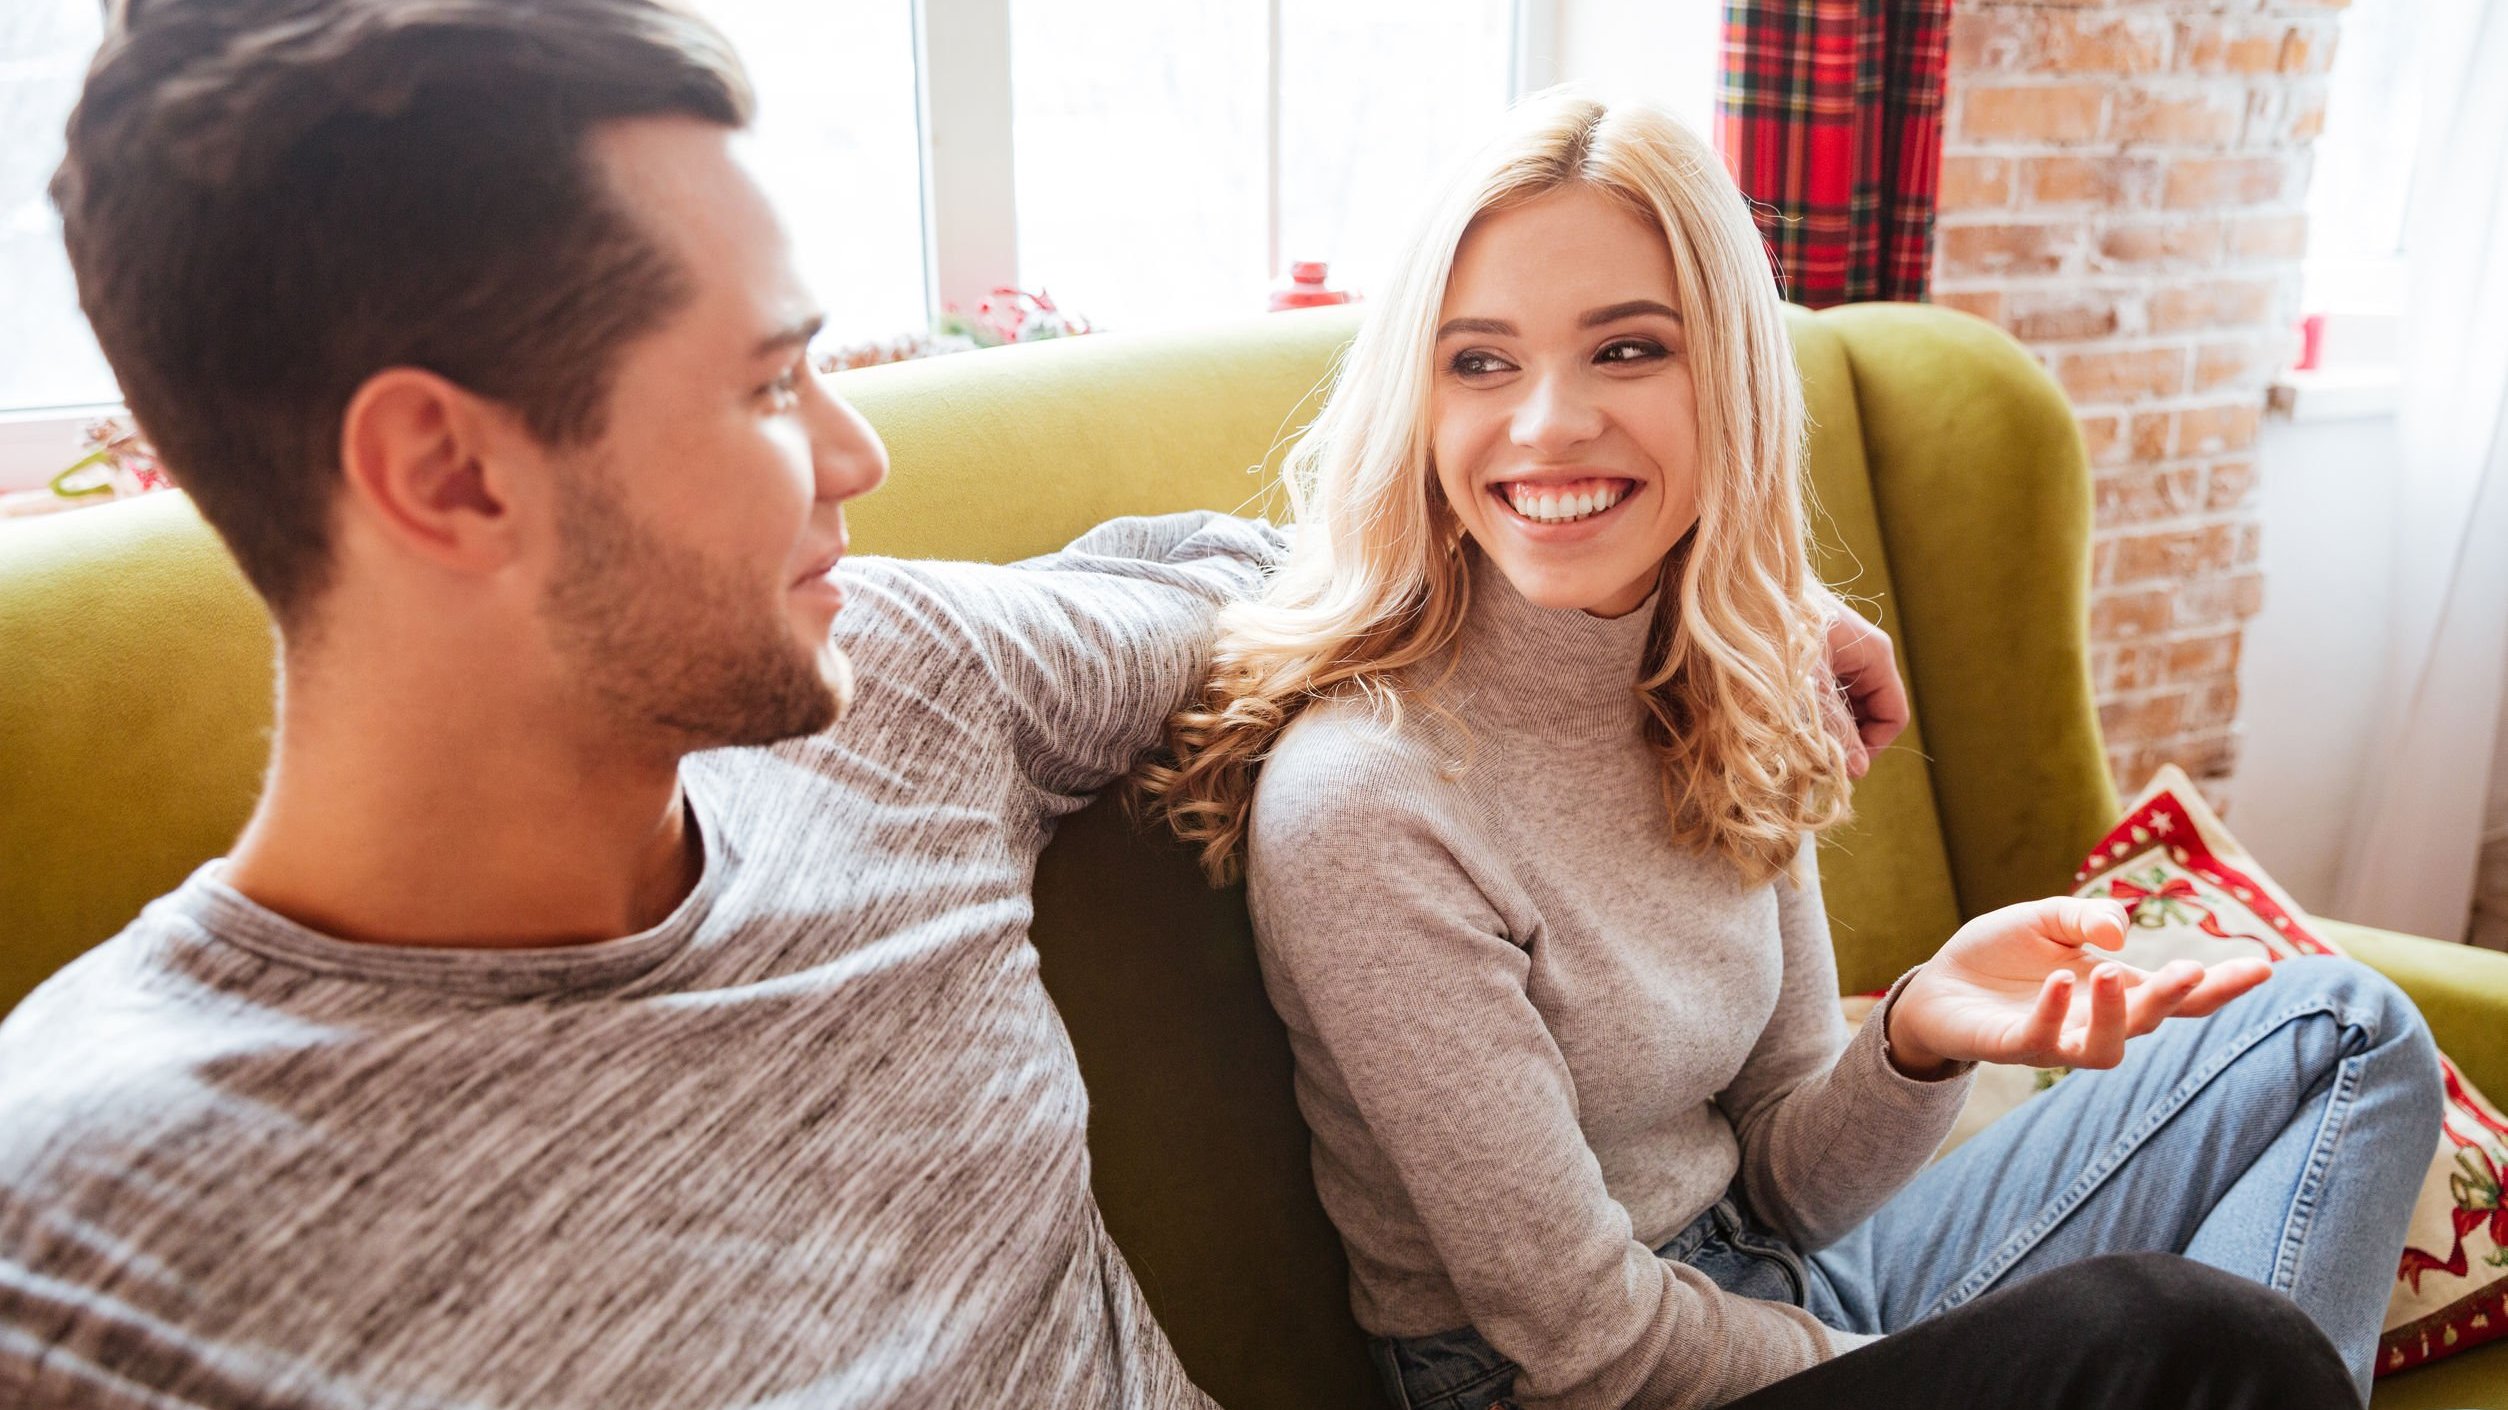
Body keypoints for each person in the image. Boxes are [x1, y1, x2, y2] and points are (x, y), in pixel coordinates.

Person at [0, 6, 1931, 1408]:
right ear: (447, 473)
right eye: (767, 388)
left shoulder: (907, 680)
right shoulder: (97, 1249)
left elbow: (1289, 576)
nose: (856, 451)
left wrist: (1746, 602)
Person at [1141, 91, 2445, 1409]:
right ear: (1417, 398)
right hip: (1589, 1382)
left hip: (1785, 1289)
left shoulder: (1727, 680)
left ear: (1729, 377)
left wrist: (1921, 1037)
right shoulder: (1367, 799)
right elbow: (1589, 1343)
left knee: (2344, 1027)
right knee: (2183, 1339)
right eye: (1480, 360)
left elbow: (1783, 1181)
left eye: (1628, 349)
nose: (1545, 423)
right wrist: (1950, 1375)